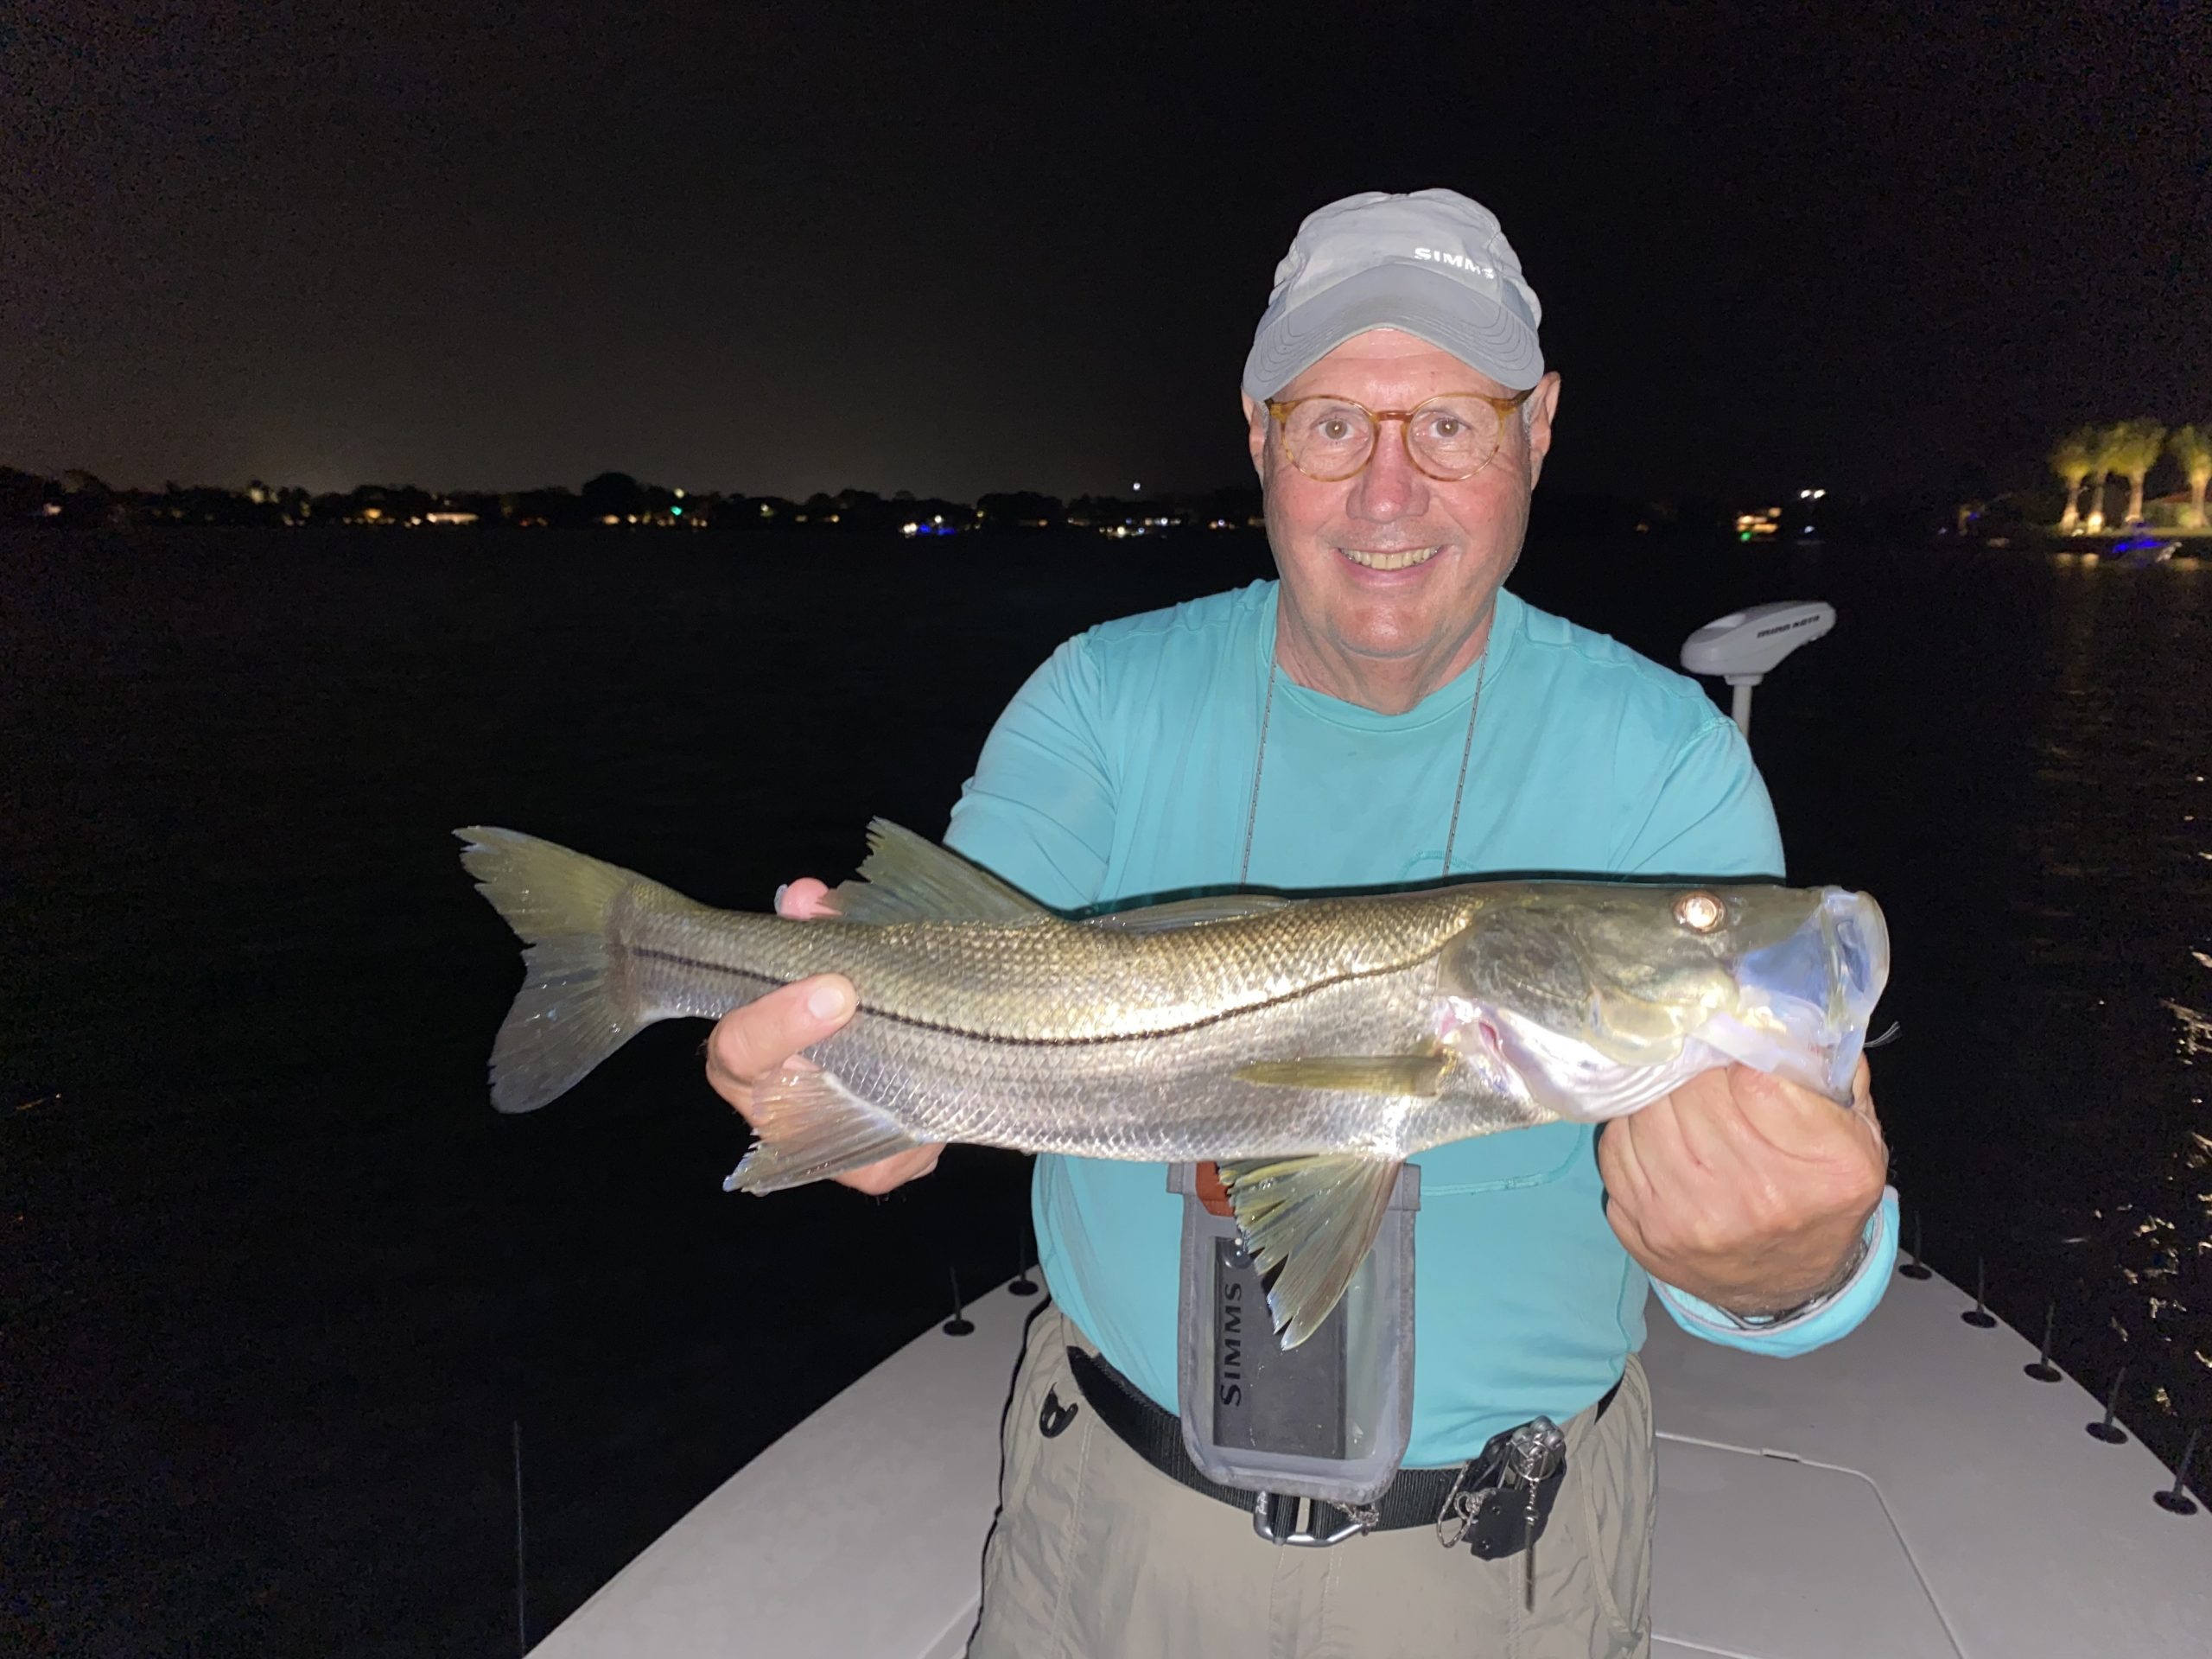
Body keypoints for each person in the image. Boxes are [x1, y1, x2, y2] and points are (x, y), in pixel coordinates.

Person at [705, 188, 1895, 1659]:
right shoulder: (1100, 697)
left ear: (1538, 430)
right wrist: (850, 1091)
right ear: (1260, 435)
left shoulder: (1664, 759)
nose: (1388, 495)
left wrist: (1783, 1267)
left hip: (1500, 1572)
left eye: (1452, 424)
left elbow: (1779, 1261)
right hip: (1112, 1534)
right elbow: (950, 1006)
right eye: (1335, 423)